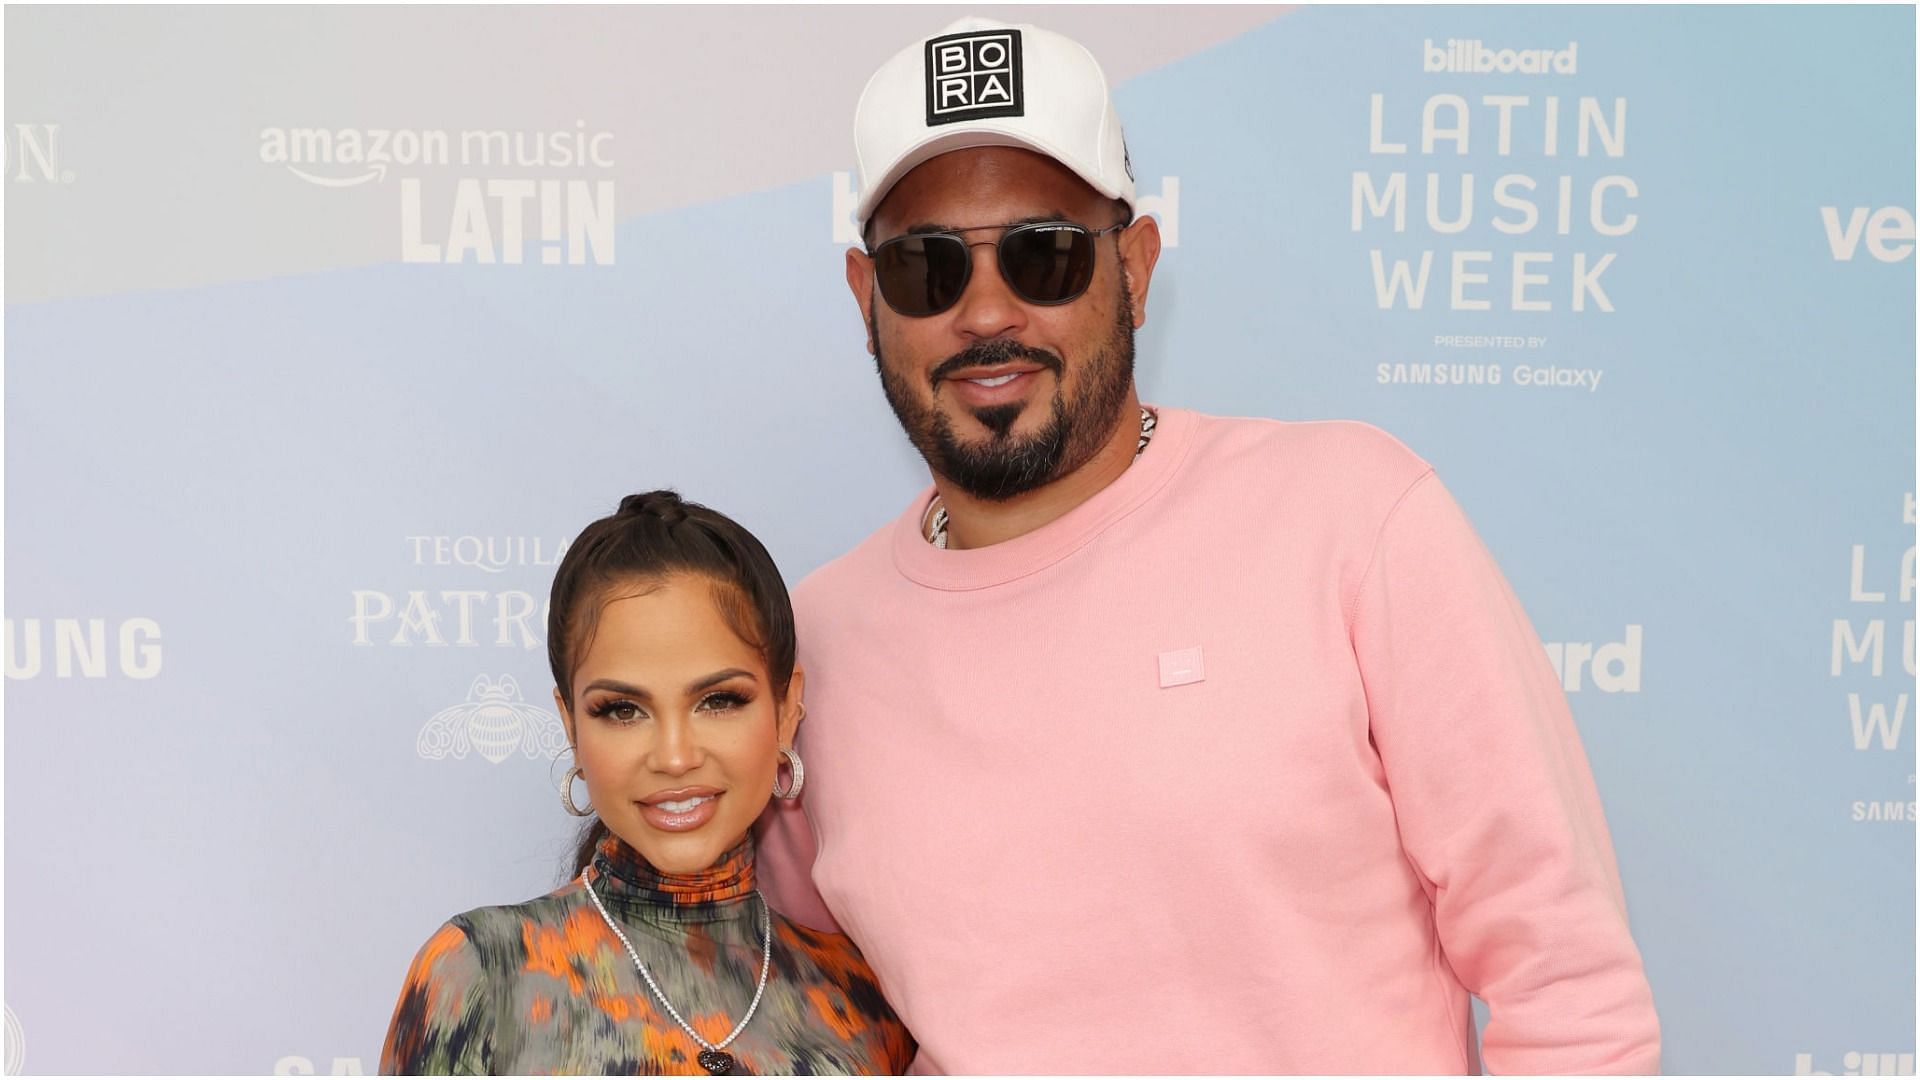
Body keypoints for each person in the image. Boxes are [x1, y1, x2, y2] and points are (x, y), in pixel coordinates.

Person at [754, 15, 1662, 1075]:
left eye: (1044, 255)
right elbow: (796, 1018)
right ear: (868, 303)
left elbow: (1569, 992)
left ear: (1134, 266)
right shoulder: (812, 644)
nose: (986, 311)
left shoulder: (1351, 518)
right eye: (928, 269)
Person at [381, 491, 914, 1075]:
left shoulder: (857, 1000)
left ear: (787, 710)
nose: (675, 756)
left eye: (718, 701)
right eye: (623, 710)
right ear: (571, 724)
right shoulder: (485, 972)